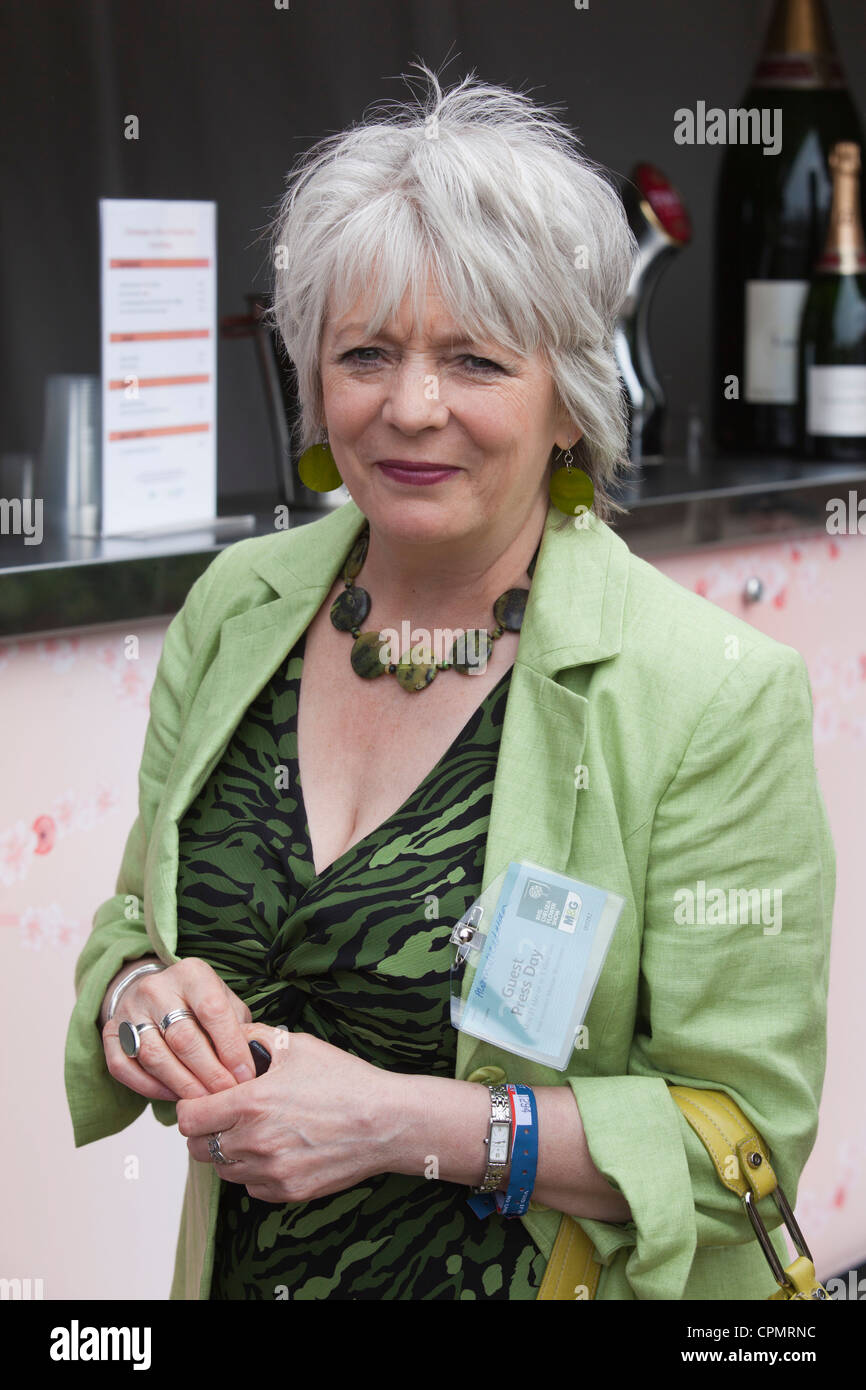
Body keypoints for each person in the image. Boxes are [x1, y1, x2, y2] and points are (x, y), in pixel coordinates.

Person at [65, 64, 835, 1300]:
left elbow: (735, 1139)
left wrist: (394, 1120)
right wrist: (143, 998)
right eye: (364, 352)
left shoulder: (706, 693)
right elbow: (130, 926)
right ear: (314, 377)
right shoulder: (238, 610)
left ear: (569, 400)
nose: (411, 407)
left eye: (475, 360)